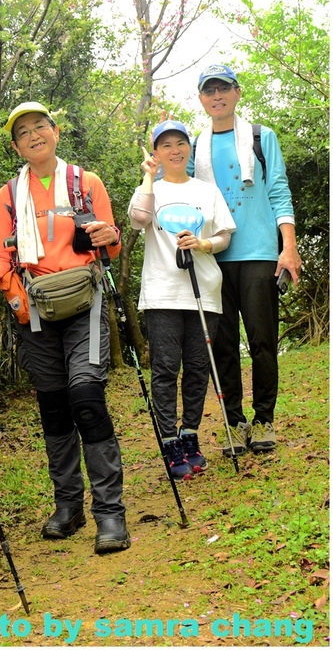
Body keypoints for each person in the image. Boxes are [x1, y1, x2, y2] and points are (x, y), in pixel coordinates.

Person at [0, 101, 130, 555]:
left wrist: (108, 236)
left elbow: (110, 242)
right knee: (55, 407)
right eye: (23, 133)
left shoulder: (85, 183)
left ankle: (110, 512)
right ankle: (68, 505)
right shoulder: (8, 194)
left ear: (55, 132)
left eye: (40, 127)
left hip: (84, 301)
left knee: (86, 396)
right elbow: (2, 255)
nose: (34, 136)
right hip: (33, 309)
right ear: (16, 145)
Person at [190, 64, 302, 455]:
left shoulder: (261, 136)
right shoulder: (194, 147)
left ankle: (264, 419)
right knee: (222, 344)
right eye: (209, 91)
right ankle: (234, 423)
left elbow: (279, 191)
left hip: (258, 252)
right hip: (212, 256)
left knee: (262, 340)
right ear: (202, 99)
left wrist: (288, 247)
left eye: (224, 89)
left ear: (237, 93)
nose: (217, 96)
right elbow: (182, 195)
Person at [128, 120, 236, 479]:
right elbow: (137, 220)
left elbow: (223, 235)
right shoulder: (150, 190)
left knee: (197, 368)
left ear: (189, 148)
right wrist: (148, 177)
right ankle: (170, 441)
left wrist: (203, 244)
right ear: (156, 152)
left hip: (204, 290)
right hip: (162, 293)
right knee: (164, 370)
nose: (175, 150)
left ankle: (190, 435)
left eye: (180, 143)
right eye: (166, 145)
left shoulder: (207, 191)